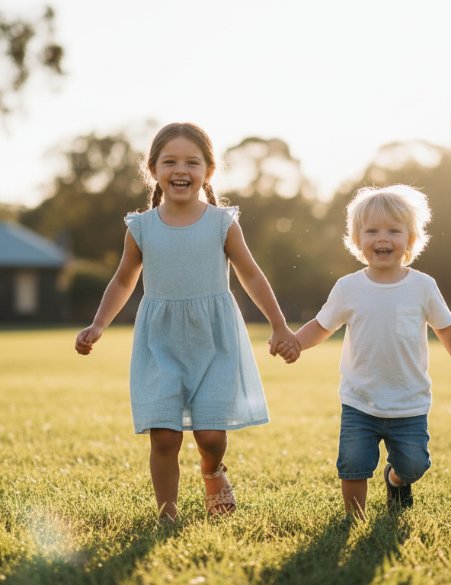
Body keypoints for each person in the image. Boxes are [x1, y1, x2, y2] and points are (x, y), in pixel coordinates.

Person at [75, 122, 299, 521]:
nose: (181, 169)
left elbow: (250, 273)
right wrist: (98, 325)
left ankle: (212, 470)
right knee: (164, 435)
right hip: (160, 341)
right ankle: (167, 514)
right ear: (154, 170)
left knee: (211, 436)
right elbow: (125, 279)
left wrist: (279, 325)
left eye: (192, 162)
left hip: (214, 339)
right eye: (170, 161)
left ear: (208, 171)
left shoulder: (221, 223)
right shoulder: (141, 228)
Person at [287, 184, 451, 519]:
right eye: (372, 231)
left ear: (410, 240)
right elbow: (322, 326)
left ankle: (395, 480)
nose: (383, 238)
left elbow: (445, 326)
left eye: (394, 231)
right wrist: (295, 342)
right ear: (357, 240)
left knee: (414, 464)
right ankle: (354, 518)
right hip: (359, 400)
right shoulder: (349, 288)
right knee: (352, 465)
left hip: (409, 402)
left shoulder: (422, 286)